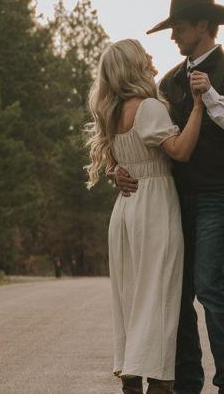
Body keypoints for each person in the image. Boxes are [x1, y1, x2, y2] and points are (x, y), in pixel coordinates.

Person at [115, 0, 224, 394]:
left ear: (202, 26)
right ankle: (186, 384)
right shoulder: (167, 82)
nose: (173, 35)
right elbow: (148, 136)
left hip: (218, 195)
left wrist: (210, 96)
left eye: (179, 27)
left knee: (210, 285)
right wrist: (119, 169)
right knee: (176, 293)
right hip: (173, 198)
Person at [85, 39, 206, 394]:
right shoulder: (149, 107)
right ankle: (159, 381)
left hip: (126, 209)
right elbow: (180, 151)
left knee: (132, 296)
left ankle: (131, 377)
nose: (151, 57)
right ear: (133, 65)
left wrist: (116, 172)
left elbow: (118, 162)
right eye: (144, 53)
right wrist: (199, 107)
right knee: (159, 294)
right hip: (154, 205)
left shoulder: (113, 111)